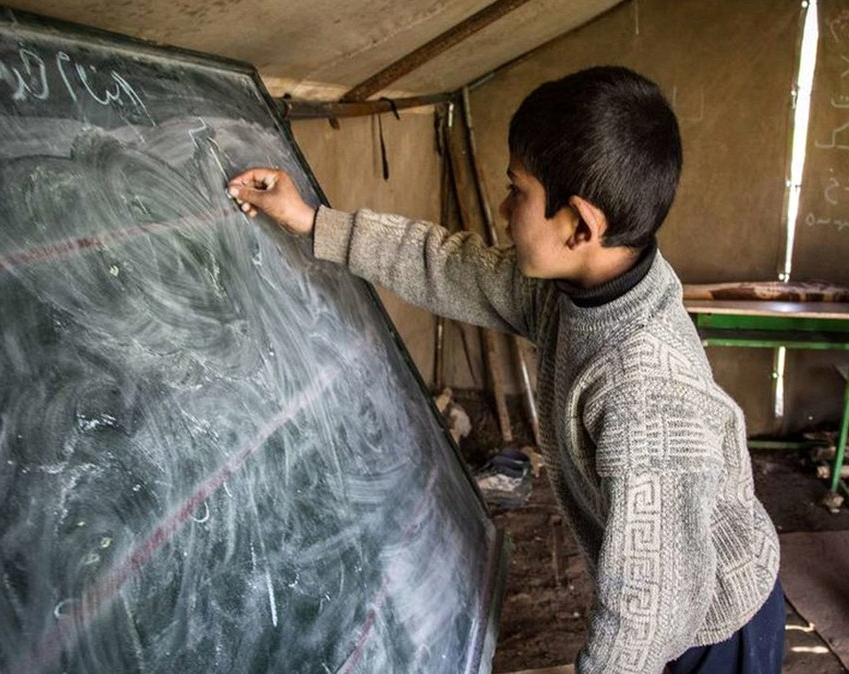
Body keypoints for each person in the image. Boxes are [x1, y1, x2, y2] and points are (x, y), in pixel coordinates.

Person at [227, 66, 783, 673]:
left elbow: (649, 610)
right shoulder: (582, 283)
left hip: (714, 626)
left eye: (517, 191)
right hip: (670, 592)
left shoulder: (645, 393)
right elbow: (450, 266)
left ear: (581, 223)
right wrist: (313, 221)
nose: (502, 206)